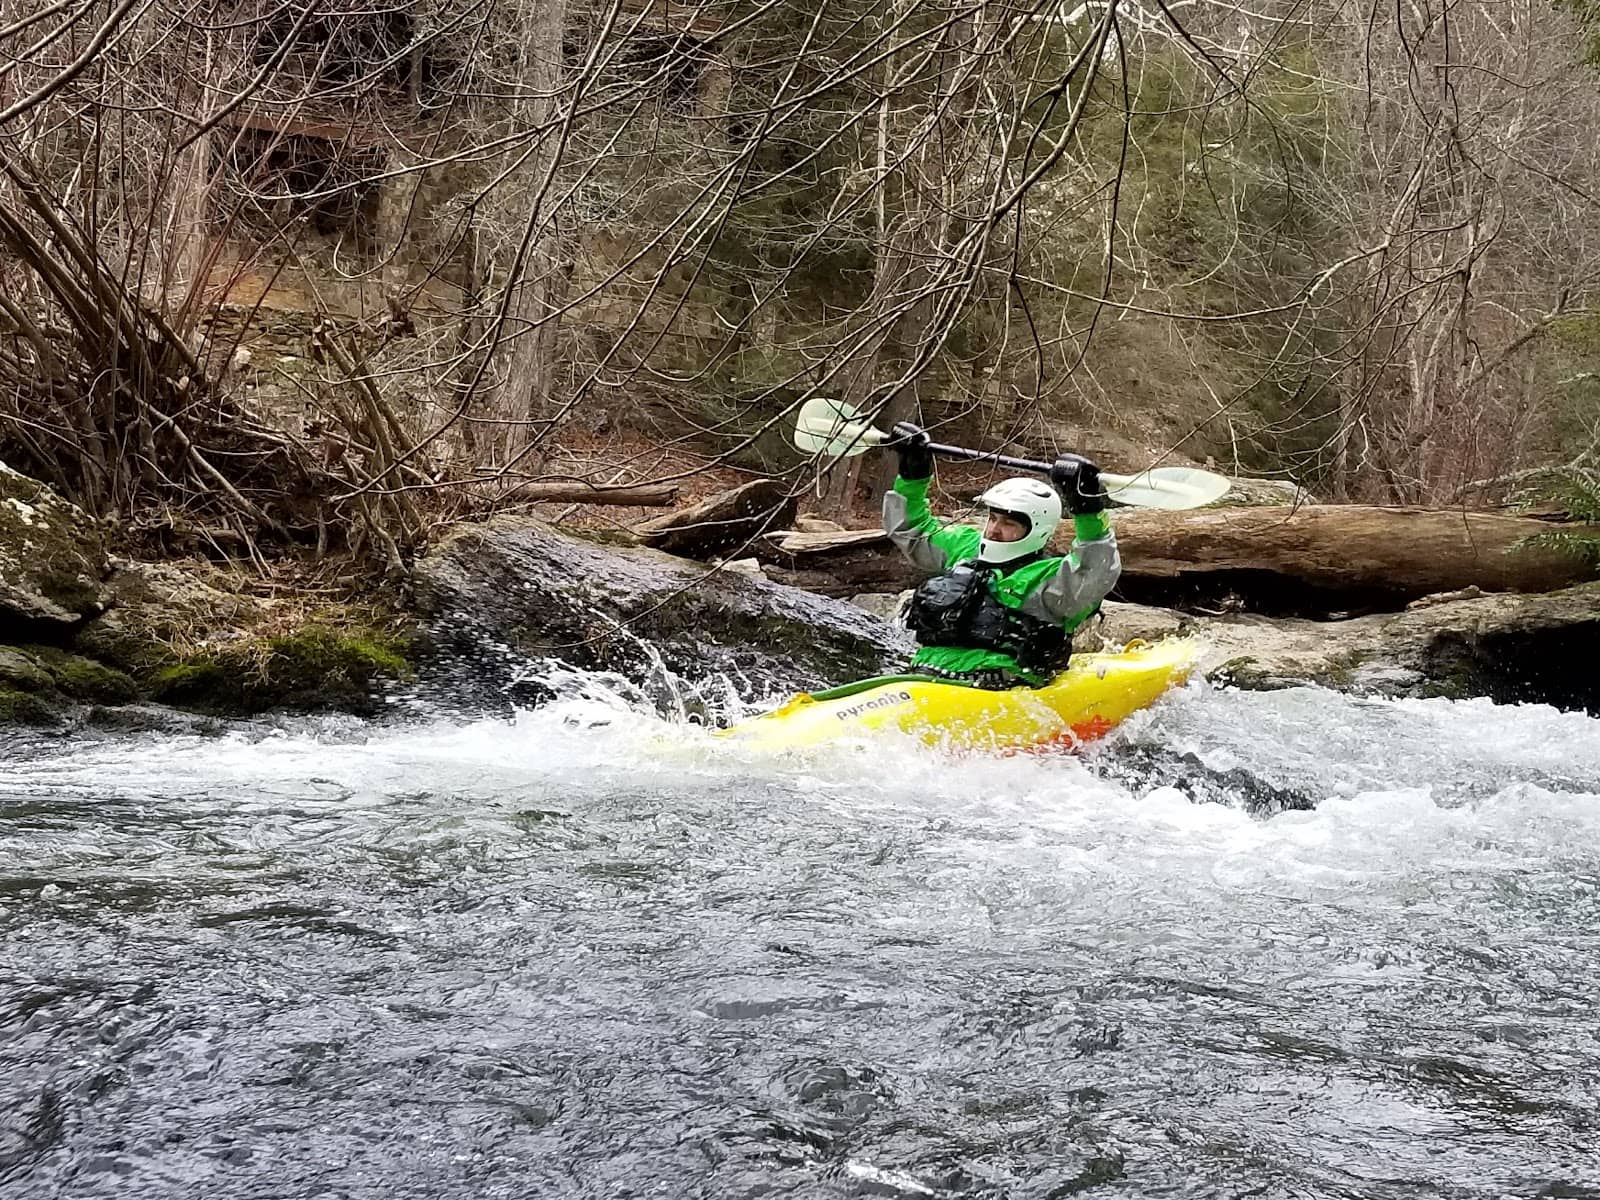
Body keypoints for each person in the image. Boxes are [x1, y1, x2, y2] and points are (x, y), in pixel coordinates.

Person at [882, 425, 1121, 688]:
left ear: (1036, 529)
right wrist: (912, 474)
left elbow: (1096, 571)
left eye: (1009, 523)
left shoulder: (1051, 580)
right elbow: (911, 530)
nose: (994, 530)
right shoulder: (966, 548)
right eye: (993, 518)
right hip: (923, 678)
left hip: (998, 691)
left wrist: (1088, 510)